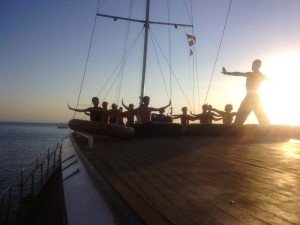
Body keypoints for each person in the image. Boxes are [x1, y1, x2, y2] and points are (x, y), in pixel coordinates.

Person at [222, 59, 270, 125]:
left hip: (252, 98)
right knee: (262, 119)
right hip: (253, 98)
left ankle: (268, 128)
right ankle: (268, 128)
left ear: (257, 66)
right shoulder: (257, 75)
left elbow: (239, 74)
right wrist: (228, 73)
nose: (252, 66)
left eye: (253, 65)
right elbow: (239, 73)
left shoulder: (252, 74)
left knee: (261, 118)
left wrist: (227, 73)